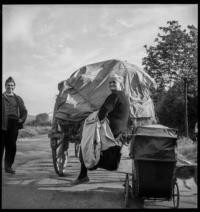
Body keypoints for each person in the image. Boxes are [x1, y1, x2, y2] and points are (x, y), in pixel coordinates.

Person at [73, 74, 130, 184]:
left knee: (86, 141)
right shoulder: (124, 96)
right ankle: (86, 170)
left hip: (111, 130)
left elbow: (103, 111)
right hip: (119, 129)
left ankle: (84, 174)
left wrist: (97, 120)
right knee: (89, 139)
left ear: (121, 84)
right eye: (110, 82)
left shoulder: (114, 96)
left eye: (114, 82)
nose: (111, 84)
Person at [2, 77, 28, 174]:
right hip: (2, 123)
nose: (10, 87)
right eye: (8, 85)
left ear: (14, 87)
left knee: (11, 146)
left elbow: (24, 111)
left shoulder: (18, 98)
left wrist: (21, 120)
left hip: (13, 124)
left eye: (12, 85)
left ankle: (8, 166)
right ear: (5, 86)